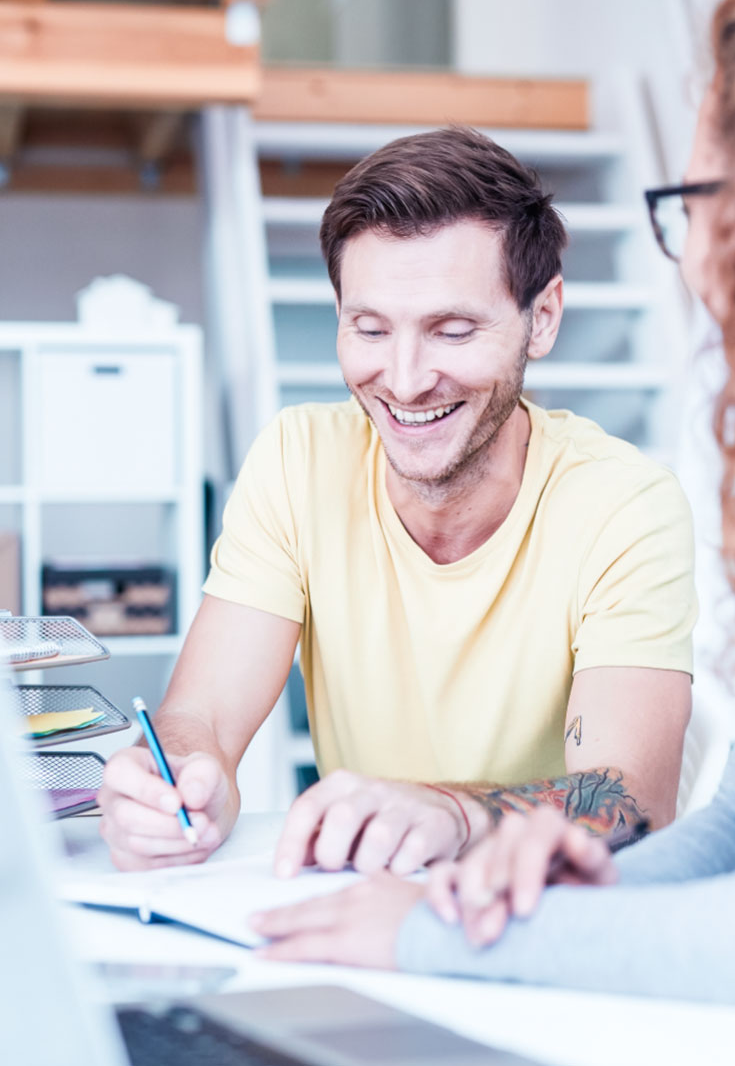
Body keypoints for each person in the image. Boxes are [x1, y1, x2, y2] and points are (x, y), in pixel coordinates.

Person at [245, 0, 735, 1057]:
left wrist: (434, 938)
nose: (689, 254)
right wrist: (554, 898)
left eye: (699, 202)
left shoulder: (625, 495)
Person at [97, 126, 697, 878]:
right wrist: (179, 780)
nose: (406, 379)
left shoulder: (624, 504)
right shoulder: (297, 460)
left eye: (451, 330)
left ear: (541, 319)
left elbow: (631, 799)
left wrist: (451, 814)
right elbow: (202, 719)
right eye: (370, 328)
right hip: (366, 914)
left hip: (552, 917)